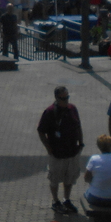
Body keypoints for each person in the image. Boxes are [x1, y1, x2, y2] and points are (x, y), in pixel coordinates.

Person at [37, 86, 85, 214]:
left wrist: (81, 143)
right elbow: (41, 131)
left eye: (67, 97)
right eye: (63, 98)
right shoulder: (50, 112)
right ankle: (55, 201)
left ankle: (66, 199)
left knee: (69, 178)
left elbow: (78, 126)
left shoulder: (73, 109)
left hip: (72, 152)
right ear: (56, 98)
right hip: (57, 153)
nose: (65, 100)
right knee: (54, 178)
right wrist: (48, 148)